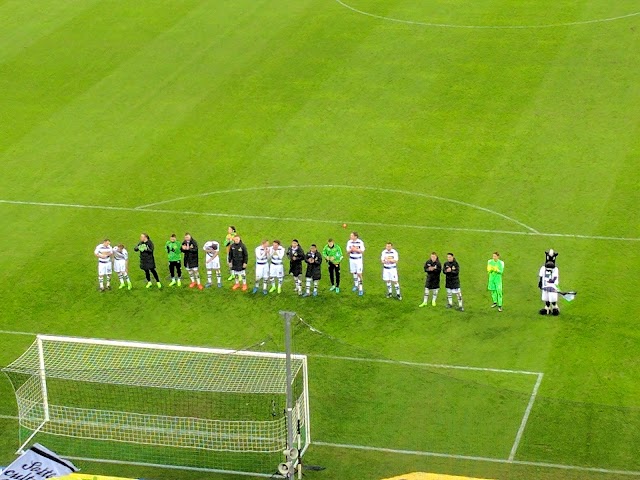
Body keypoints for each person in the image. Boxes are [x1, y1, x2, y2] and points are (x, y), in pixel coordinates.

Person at [346, 232, 365, 296]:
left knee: (359, 274)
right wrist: (351, 250)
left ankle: (361, 288)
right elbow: (347, 252)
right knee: (354, 272)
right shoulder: (349, 242)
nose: (350, 237)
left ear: (355, 236)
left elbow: (362, 251)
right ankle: (356, 285)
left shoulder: (360, 242)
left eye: (351, 236)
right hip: (351, 259)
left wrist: (356, 249)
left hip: (358, 260)